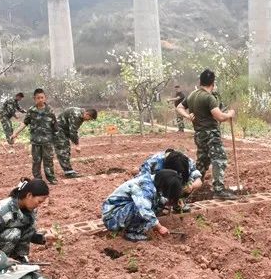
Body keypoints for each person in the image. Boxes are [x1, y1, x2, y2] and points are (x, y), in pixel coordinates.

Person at [176, 69, 237, 200]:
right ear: (213, 83)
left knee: (202, 162)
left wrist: (188, 116)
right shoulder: (209, 98)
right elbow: (219, 117)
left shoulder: (192, 95)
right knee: (219, 159)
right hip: (211, 135)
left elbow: (179, 107)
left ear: (200, 81)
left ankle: (191, 188)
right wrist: (230, 114)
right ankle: (219, 190)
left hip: (199, 135)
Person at [0, 178, 50, 262]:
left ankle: (18, 259)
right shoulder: (1, 212)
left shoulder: (29, 211)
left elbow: (28, 234)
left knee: (28, 228)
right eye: (39, 201)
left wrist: (44, 238)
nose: (39, 205)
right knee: (14, 232)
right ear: (29, 195)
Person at [102, 169, 183, 242]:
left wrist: (169, 201)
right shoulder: (145, 188)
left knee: (156, 204)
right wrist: (160, 227)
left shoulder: (153, 181)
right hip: (112, 217)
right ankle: (132, 233)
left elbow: (157, 198)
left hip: (121, 211)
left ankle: (136, 227)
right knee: (142, 208)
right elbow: (144, 209)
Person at [11, 88, 59, 184]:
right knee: (36, 161)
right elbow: (25, 123)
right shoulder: (31, 111)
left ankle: (51, 178)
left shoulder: (50, 110)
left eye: (42, 97)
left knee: (48, 160)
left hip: (47, 141)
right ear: (34, 99)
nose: (40, 100)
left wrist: (57, 139)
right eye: (38, 98)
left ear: (45, 98)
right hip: (35, 141)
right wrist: (15, 132)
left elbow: (55, 126)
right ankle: (37, 180)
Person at [137, 148, 203, 212]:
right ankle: (158, 205)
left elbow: (198, 180)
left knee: (188, 181)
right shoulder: (153, 162)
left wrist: (191, 186)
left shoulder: (186, 161)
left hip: (169, 189)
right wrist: (161, 199)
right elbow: (141, 183)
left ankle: (178, 202)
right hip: (156, 189)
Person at [53, 107, 98, 178]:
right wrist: (77, 145)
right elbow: (73, 132)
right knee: (63, 150)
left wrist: (76, 141)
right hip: (58, 130)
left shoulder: (81, 114)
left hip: (63, 130)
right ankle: (69, 172)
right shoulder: (76, 115)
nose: (88, 121)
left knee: (66, 149)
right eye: (89, 119)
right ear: (87, 114)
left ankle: (68, 171)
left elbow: (73, 130)